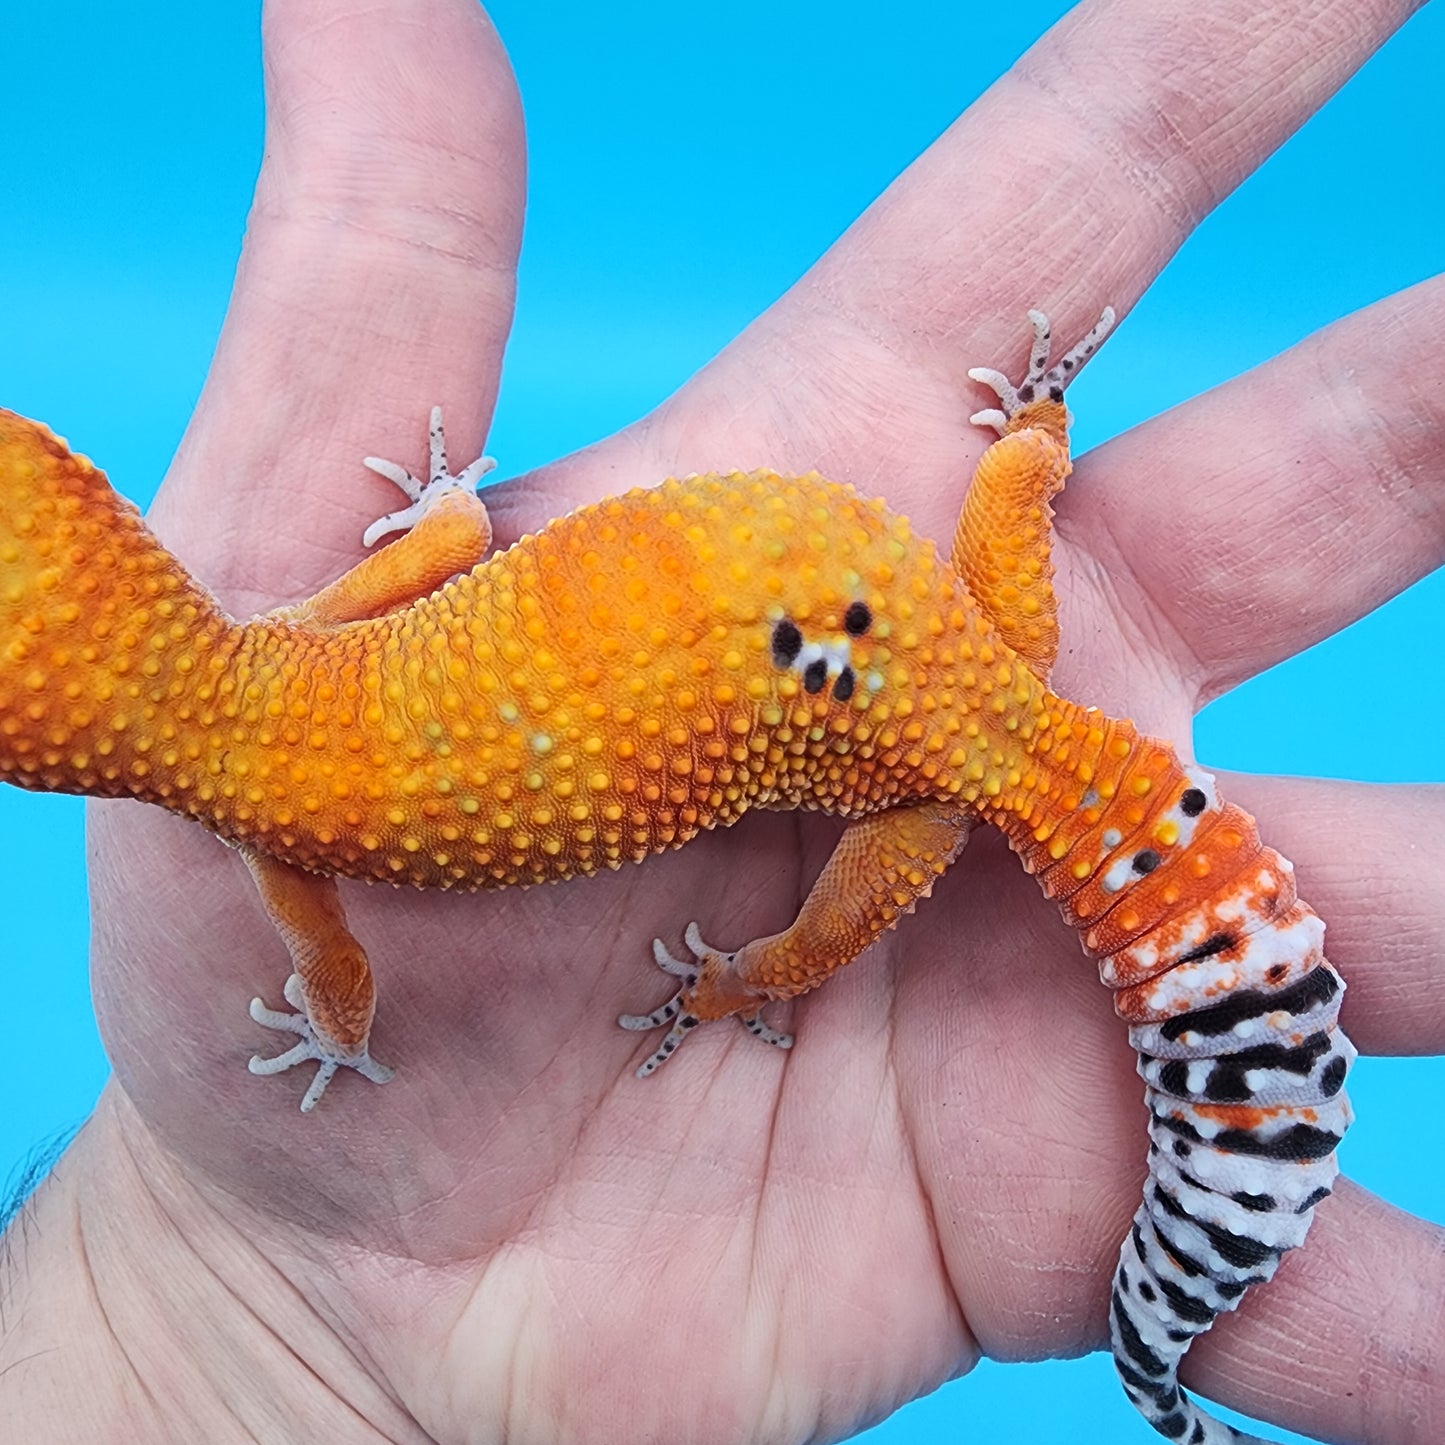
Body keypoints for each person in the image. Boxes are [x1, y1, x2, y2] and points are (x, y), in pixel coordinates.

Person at [3, 0, 1441, 1440]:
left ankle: (781, 1001)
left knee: (799, 940)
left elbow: (350, 995)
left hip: (915, 733)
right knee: (1005, 491)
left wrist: (743, 976)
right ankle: (1032, 448)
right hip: (927, 666)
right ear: (115, 543)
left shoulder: (281, 849)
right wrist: (1030, 441)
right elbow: (442, 547)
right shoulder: (289, 646)